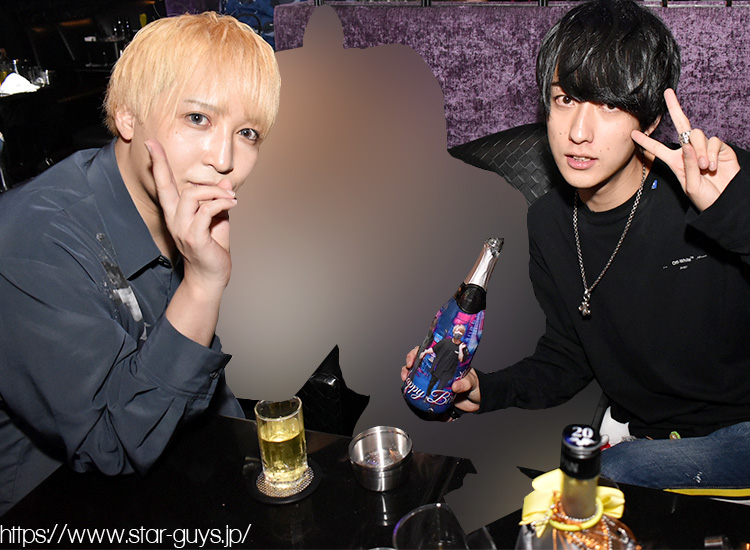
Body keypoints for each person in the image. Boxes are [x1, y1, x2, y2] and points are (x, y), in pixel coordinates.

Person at [403, 0, 750, 490]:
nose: (578, 133)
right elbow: (569, 356)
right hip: (643, 438)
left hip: (738, 431)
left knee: (607, 475)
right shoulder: (548, 222)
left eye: (609, 105)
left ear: (651, 119)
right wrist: (485, 389)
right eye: (565, 99)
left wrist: (735, 216)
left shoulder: (716, 187)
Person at [0, 12, 280, 515]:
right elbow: (110, 444)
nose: (224, 159)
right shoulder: (35, 238)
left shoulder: (180, 211)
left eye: (248, 133)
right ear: (128, 116)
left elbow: (200, 399)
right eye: (198, 119)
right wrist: (203, 285)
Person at [422, 324, 468, 396]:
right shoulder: (445, 342)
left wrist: (460, 349)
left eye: (461, 332)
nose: (458, 333)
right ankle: (426, 396)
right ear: (453, 332)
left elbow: (461, 359)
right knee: (431, 383)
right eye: (457, 331)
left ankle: (434, 401)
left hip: (448, 372)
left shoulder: (463, 347)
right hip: (438, 368)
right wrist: (425, 352)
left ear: (463, 334)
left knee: (440, 388)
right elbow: (434, 349)